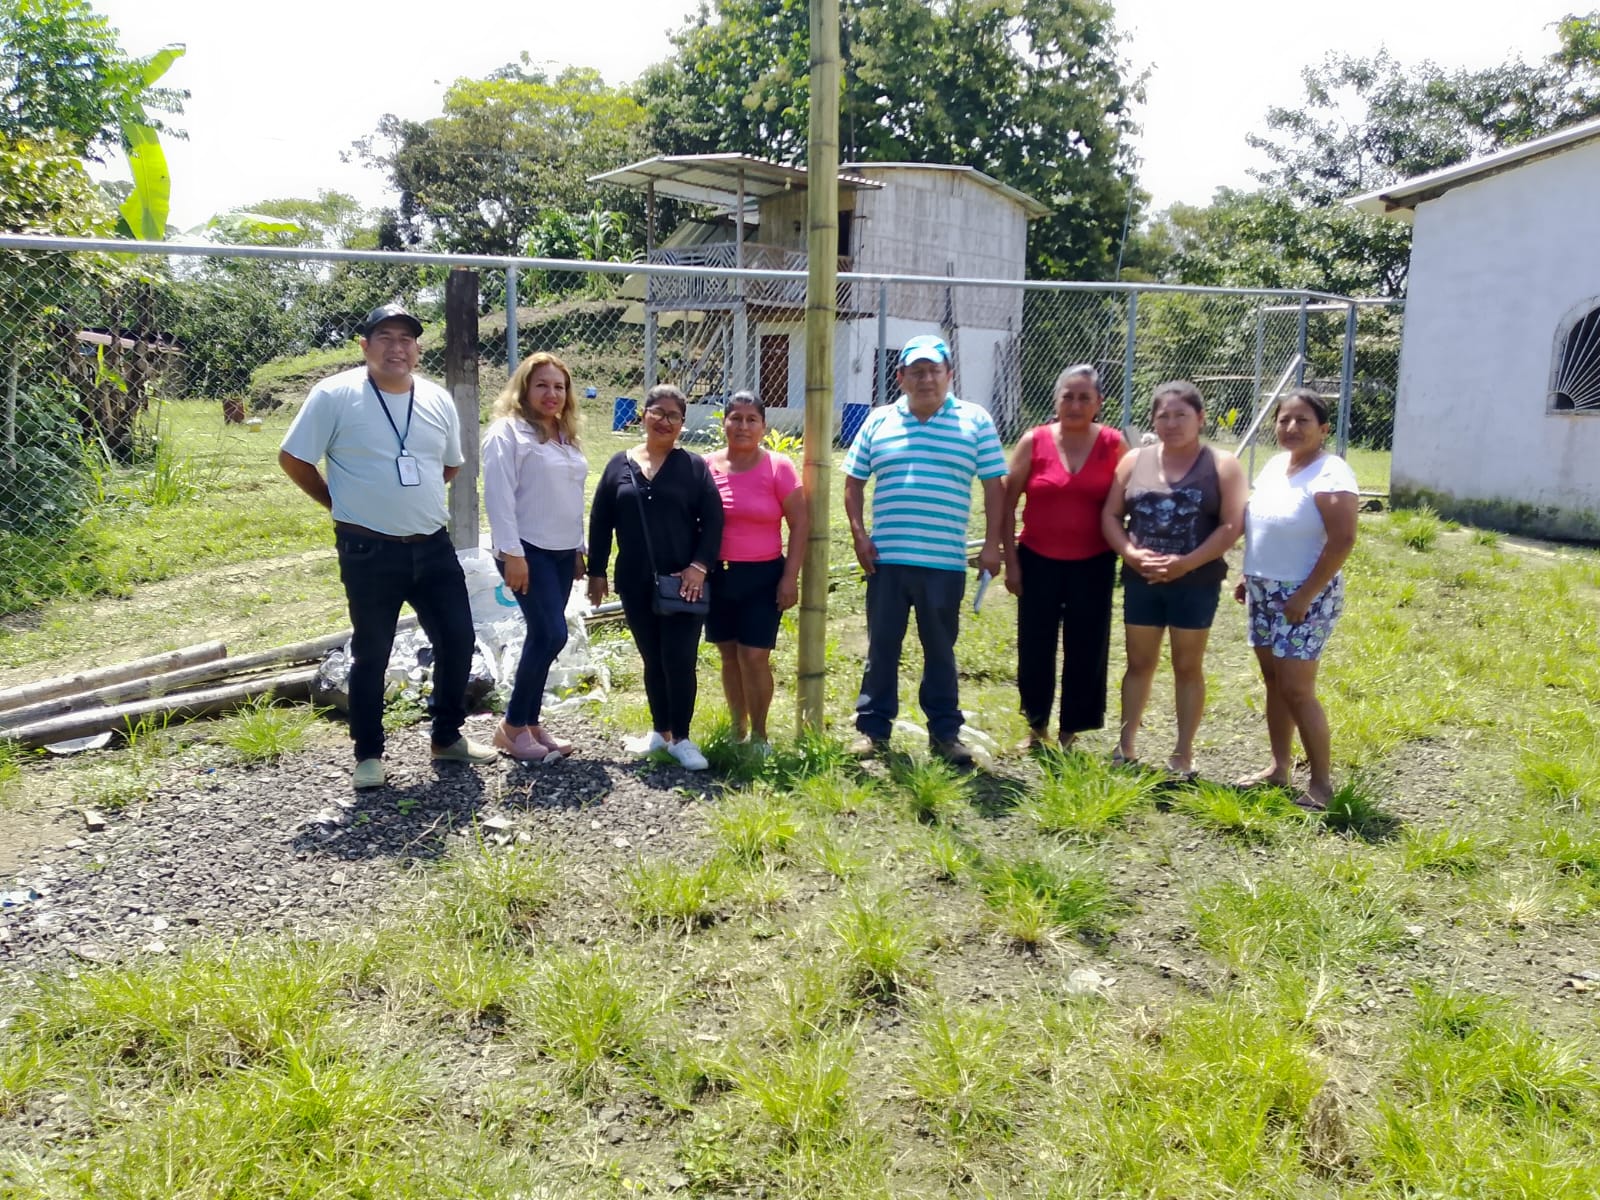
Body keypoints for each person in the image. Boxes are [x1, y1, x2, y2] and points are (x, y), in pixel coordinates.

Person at [279, 303, 496, 789]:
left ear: (418, 348)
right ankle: (369, 755)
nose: (397, 348)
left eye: (406, 339)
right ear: (365, 346)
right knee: (372, 652)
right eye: (385, 338)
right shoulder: (334, 395)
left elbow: (450, 465)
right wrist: (338, 504)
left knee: (458, 639)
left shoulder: (437, 398)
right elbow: (293, 458)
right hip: (369, 550)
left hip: (433, 547)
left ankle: (447, 737)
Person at [843, 333, 1006, 766]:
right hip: (887, 561)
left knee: (940, 650)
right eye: (917, 371)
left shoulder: (975, 421)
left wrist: (993, 544)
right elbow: (853, 481)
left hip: (944, 562)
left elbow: (995, 487)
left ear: (949, 374)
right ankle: (873, 731)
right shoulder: (879, 420)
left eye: (934, 370)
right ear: (900, 377)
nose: (926, 378)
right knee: (882, 648)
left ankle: (946, 734)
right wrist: (859, 535)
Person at [1101, 380, 1246, 777]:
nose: (1172, 423)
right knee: (1138, 663)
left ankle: (1183, 753)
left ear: (1200, 418)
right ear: (1153, 420)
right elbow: (1110, 515)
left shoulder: (1222, 465)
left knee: (1187, 666)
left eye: (1181, 415)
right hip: (1142, 580)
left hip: (1195, 583)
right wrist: (1130, 553)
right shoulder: (1134, 461)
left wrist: (1187, 563)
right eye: (1163, 415)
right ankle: (1126, 745)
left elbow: (1232, 525)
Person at [1234, 388, 1360, 809]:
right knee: (1275, 683)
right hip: (1263, 590)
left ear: (1323, 429)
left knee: (1297, 690)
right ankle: (1278, 768)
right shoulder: (1275, 466)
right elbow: (1266, 524)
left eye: (1302, 420)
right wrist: (1249, 572)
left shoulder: (1331, 473)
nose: (1291, 427)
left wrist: (1305, 595)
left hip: (1306, 595)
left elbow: (1343, 540)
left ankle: (1322, 785)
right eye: (1284, 419)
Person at [587, 384, 724, 771]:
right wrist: (597, 571)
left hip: (684, 583)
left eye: (673, 415)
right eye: (658, 412)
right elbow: (601, 520)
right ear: (643, 415)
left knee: (679, 658)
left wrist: (700, 566)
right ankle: (660, 733)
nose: (665, 421)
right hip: (634, 582)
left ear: (682, 422)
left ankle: (682, 738)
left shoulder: (693, 467)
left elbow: (714, 520)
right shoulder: (619, 464)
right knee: (652, 658)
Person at [1002, 365, 1129, 751]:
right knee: (1035, 645)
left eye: (1084, 398)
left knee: (1087, 646)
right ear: (1056, 401)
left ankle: (1071, 731)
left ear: (1098, 403)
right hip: (1037, 560)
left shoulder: (1114, 444)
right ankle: (1036, 726)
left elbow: (1131, 502)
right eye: (1067, 397)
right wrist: (1011, 561)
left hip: (1094, 562)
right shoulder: (1033, 441)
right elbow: (1006, 505)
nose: (1075, 404)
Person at [481, 352, 587, 763]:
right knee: (550, 634)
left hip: (561, 553)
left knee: (545, 637)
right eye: (542, 385)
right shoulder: (508, 433)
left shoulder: (565, 435)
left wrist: (578, 548)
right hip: (527, 550)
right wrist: (512, 554)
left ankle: (530, 723)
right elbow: (499, 497)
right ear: (524, 389)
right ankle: (511, 728)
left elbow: (571, 497)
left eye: (559, 386)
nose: (551, 393)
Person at [704, 392, 808, 751]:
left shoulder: (779, 467)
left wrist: (789, 577)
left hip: (764, 578)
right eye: (735, 418)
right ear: (724, 423)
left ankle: (760, 737)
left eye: (751, 419)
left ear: (763, 426)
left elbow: (800, 524)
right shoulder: (706, 466)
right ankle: (738, 730)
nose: (743, 426)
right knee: (729, 654)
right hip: (718, 576)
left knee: (754, 656)